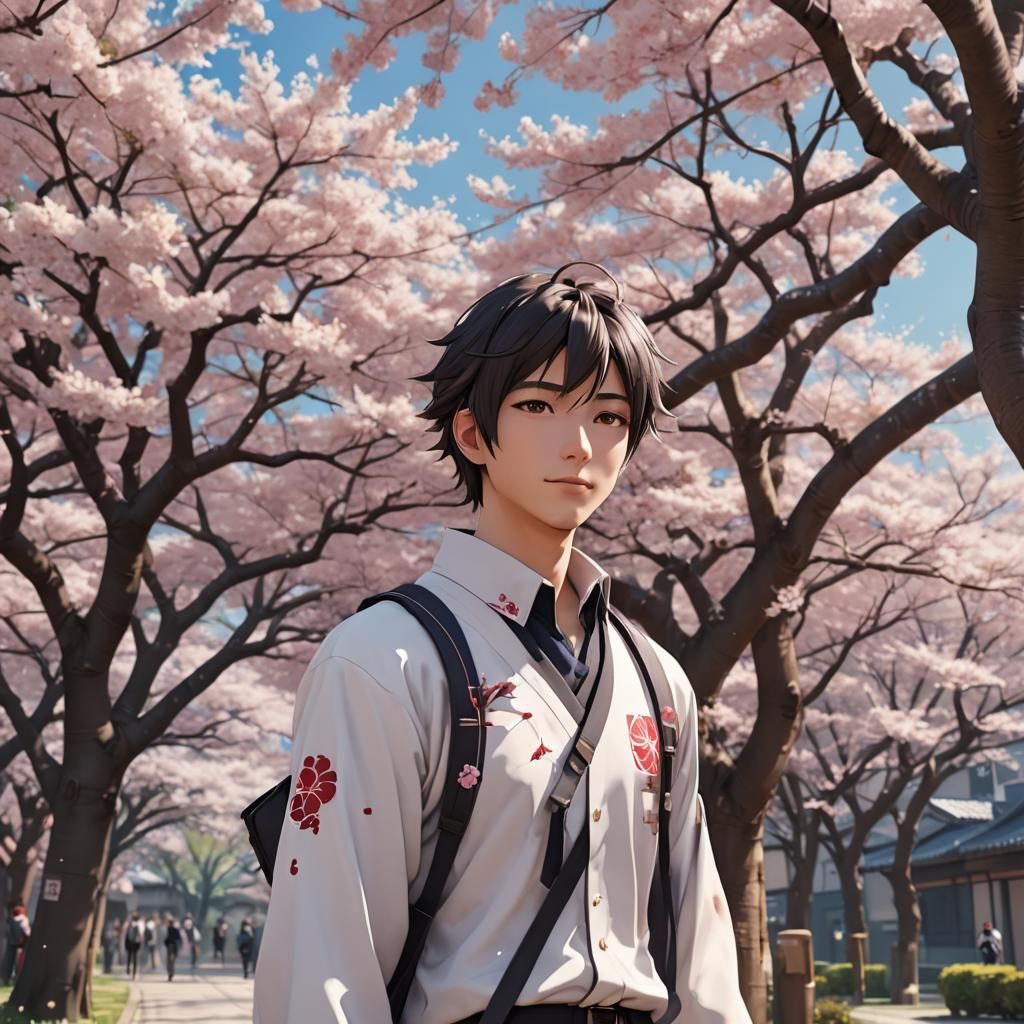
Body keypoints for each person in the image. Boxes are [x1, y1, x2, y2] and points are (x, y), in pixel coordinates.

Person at [253, 265, 750, 1024]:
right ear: (472, 432)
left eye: (610, 416)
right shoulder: (382, 660)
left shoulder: (658, 680)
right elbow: (325, 960)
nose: (578, 444)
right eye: (537, 405)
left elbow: (702, 956)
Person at [1, 903, 30, 984]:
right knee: (18, 962)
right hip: (20, 944)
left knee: (8, 960)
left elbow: (6, 932)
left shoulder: (10, 920)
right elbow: (27, 932)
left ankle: (5, 978)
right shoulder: (23, 919)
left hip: (10, 943)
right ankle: (14, 978)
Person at [124, 910, 144, 978]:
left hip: (132, 942)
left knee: (131, 957)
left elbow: (125, 930)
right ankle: (132, 972)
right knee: (134, 958)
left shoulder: (130, 923)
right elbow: (141, 935)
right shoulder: (140, 924)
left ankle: (130, 971)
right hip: (135, 943)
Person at [164, 917, 181, 981]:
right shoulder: (176, 930)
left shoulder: (167, 930)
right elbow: (179, 939)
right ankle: (171, 973)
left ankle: (170, 973)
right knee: (172, 961)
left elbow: (165, 939)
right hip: (174, 947)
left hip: (170, 947)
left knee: (169, 961)